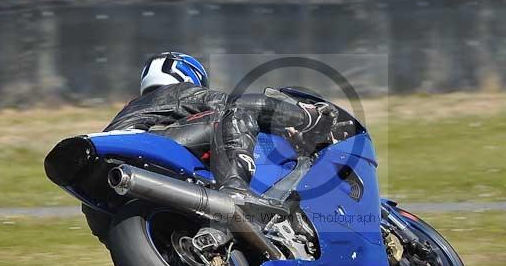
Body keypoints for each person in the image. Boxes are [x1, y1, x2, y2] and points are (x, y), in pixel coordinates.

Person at [105, 52, 338, 207]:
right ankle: (236, 188)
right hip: (144, 150)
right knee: (234, 113)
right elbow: (235, 104)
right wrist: (305, 116)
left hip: (109, 186)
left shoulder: (136, 108)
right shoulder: (174, 92)